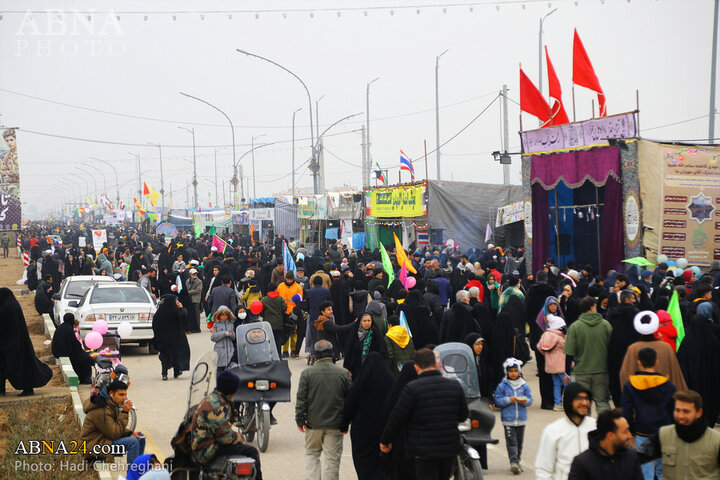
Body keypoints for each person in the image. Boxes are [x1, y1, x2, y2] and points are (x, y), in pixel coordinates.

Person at [380, 348, 469, 480]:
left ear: (416, 367)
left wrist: (385, 440)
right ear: (437, 364)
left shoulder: (412, 389)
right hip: (449, 448)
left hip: (423, 452)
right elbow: (463, 415)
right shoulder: (454, 386)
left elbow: (397, 418)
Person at [296, 340, 352, 480]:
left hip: (312, 423)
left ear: (315, 355)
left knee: (312, 454)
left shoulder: (307, 374)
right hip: (335, 424)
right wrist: (347, 420)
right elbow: (350, 400)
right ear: (332, 353)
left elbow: (301, 399)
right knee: (332, 459)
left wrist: (300, 420)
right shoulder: (343, 373)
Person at [190, 371, 263, 479]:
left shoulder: (213, 398)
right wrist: (240, 437)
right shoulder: (216, 406)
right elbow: (225, 437)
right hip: (206, 450)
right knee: (252, 452)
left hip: (206, 444)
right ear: (231, 390)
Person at [637, 390, 720, 479]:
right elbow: (637, 457)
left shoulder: (716, 441)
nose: (680, 416)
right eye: (677, 410)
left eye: (686, 411)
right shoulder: (663, 435)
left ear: (699, 413)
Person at [620, 347, 676, 480]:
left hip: (642, 432)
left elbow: (626, 411)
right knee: (664, 472)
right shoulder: (668, 385)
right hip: (664, 432)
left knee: (645, 472)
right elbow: (673, 410)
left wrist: (631, 430)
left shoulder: (631, 384)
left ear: (639, 362)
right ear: (656, 362)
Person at [340, 352, 395, 480]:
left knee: (363, 463)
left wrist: (343, 425)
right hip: (384, 429)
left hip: (362, 430)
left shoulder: (360, 382)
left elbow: (350, 404)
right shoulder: (391, 381)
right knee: (382, 463)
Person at [535, 382, 597, 480]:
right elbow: (543, 469)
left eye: (587, 398)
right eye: (579, 398)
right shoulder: (553, 431)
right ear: (569, 401)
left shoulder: (596, 427)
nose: (584, 403)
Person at [618, 310, 687, 395]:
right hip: (664, 397)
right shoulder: (665, 347)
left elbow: (625, 374)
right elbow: (676, 375)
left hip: (640, 399)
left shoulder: (633, 349)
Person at [564, 297, 613, 414]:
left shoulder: (575, 327)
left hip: (582, 370)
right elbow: (612, 348)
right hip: (602, 370)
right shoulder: (606, 325)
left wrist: (567, 372)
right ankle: (605, 428)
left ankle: (586, 430)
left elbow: (569, 353)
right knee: (602, 402)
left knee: (584, 403)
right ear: (592, 308)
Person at [0, 287, 53, 396]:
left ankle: (27, 389)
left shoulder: (7, 308)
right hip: (16, 344)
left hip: (12, 346)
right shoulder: (12, 305)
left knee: (19, 369)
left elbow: (7, 328)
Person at [81, 380, 146, 464]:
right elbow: (114, 434)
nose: (124, 398)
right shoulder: (102, 409)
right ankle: (132, 475)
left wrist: (129, 433)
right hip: (94, 445)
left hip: (104, 439)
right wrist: (125, 412)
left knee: (140, 437)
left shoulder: (111, 404)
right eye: (121, 395)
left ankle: (138, 472)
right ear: (111, 394)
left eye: (125, 395)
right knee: (133, 442)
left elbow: (113, 426)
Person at [567, 408, 643, 479]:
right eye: (625, 432)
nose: (629, 435)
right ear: (610, 435)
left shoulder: (631, 457)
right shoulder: (582, 464)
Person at [676, 313, 720, 428]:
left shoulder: (687, 342)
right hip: (711, 385)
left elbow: (681, 363)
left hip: (692, 385)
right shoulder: (713, 342)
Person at [493, 358, 533, 475]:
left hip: (521, 419)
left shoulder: (524, 386)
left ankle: (518, 461)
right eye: (511, 371)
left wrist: (525, 401)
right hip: (508, 420)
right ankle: (513, 462)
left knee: (519, 442)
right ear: (507, 372)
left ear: (519, 372)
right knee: (512, 442)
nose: (513, 373)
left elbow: (530, 400)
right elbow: (498, 400)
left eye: (516, 371)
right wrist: (509, 400)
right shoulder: (503, 386)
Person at [151, 295, 191, 381]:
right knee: (177, 354)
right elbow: (184, 317)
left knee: (164, 356)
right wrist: (181, 308)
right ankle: (176, 372)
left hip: (163, 340)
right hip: (176, 339)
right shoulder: (175, 312)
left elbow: (154, 326)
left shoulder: (159, 313)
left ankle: (164, 374)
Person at [537, 315, 570, 411]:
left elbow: (539, 347)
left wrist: (547, 354)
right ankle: (571, 401)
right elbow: (568, 347)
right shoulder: (560, 338)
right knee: (567, 383)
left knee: (556, 384)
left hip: (551, 365)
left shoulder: (546, 335)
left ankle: (557, 403)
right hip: (561, 365)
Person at [51, 312, 93, 384]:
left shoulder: (60, 327)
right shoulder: (68, 329)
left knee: (83, 357)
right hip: (66, 353)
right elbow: (75, 345)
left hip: (59, 352)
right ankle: (85, 380)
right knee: (86, 360)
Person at [343, 313, 388, 378]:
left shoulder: (376, 334)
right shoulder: (354, 335)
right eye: (364, 321)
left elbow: (383, 351)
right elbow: (349, 353)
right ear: (360, 322)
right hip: (357, 370)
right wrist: (348, 368)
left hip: (373, 370)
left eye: (369, 321)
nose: (367, 323)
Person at [259, 285, 288, 357]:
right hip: (278, 323)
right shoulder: (279, 298)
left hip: (268, 324)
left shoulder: (264, 299)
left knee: (269, 340)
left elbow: (261, 312)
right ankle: (278, 356)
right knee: (278, 340)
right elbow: (284, 308)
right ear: (275, 289)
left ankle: (270, 355)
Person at [464, 333, 493, 399]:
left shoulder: (484, 360)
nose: (480, 347)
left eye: (481, 344)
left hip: (483, 399)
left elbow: (489, 380)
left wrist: (490, 400)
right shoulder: (464, 361)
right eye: (477, 344)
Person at [210, 306, 236, 373]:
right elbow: (213, 337)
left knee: (231, 371)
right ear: (218, 315)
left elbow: (234, 337)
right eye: (222, 315)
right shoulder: (216, 325)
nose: (224, 317)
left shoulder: (231, 324)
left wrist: (231, 334)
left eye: (226, 315)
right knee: (220, 371)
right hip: (220, 352)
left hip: (230, 351)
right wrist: (224, 333)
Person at [186, 268, 203, 333]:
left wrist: (189, 292)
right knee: (191, 314)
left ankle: (197, 327)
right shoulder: (188, 281)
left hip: (195, 299)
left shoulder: (199, 281)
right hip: (189, 299)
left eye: (195, 273)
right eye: (193, 273)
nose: (194, 275)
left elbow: (198, 290)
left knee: (196, 314)